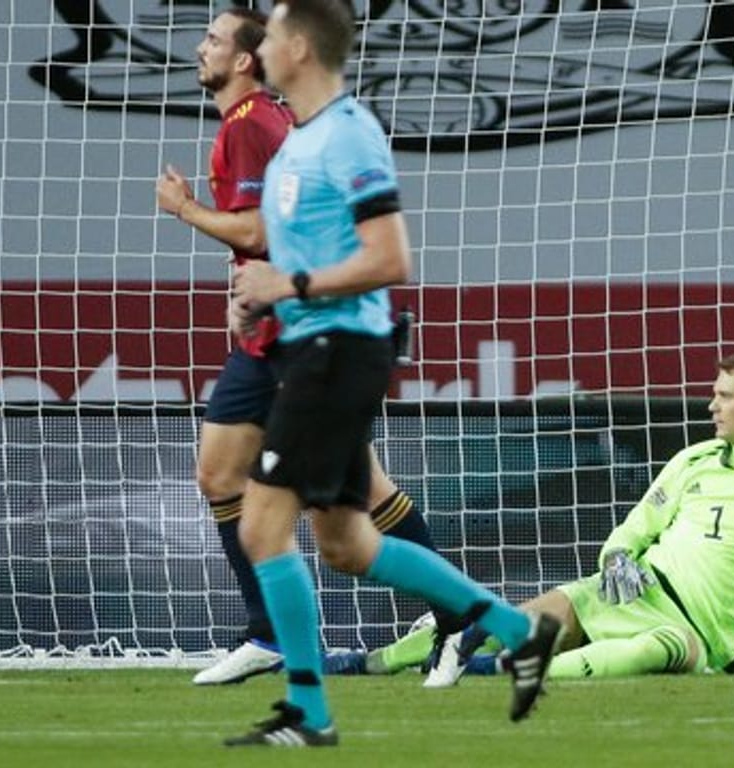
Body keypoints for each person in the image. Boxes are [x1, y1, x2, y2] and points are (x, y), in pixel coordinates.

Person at [221, 0, 562, 747]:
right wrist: (260, 300)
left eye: (272, 33)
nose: (261, 45)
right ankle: (517, 629)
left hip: (340, 350)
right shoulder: (296, 143)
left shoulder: (351, 137)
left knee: (261, 526)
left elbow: (390, 259)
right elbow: (295, 251)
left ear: (300, 48)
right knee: (346, 545)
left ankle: (309, 712)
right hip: (305, 347)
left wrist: (290, 288)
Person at [156, 6, 462, 687]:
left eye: (213, 39)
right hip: (278, 329)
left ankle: (463, 619)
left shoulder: (263, 127)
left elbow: (262, 233)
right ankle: (276, 634)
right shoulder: (260, 125)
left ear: (248, 58)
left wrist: (189, 216)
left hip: (304, 335)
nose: (199, 48)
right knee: (230, 478)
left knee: (345, 524)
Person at [324, 353, 734, 685]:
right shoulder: (692, 461)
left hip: (698, 633)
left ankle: (492, 671)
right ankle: (372, 663)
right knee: (503, 621)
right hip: (632, 594)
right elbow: (636, 526)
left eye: (725, 397)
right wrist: (616, 555)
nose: (712, 406)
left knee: (643, 654)